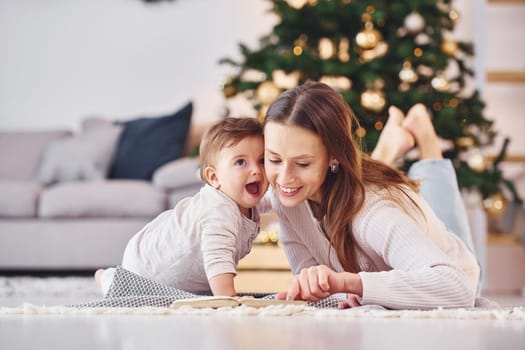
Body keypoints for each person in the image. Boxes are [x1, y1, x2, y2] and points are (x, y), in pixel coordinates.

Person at [263, 82, 479, 310]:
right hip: (398, 238)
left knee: (440, 200)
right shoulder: (286, 198)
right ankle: (391, 144)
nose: (284, 178)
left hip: (452, 277)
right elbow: (322, 296)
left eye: (302, 163)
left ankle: (423, 132)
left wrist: (349, 283)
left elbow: (458, 289)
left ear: (334, 156)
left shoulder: (376, 212)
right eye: (274, 159)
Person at [95, 117, 268, 297]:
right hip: (146, 265)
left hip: (185, 276)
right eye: (241, 162)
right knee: (135, 296)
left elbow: (271, 200)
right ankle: (107, 278)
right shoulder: (219, 212)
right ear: (214, 177)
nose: (256, 170)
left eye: (262, 160)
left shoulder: (240, 199)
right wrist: (229, 298)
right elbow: (218, 259)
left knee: (194, 297)